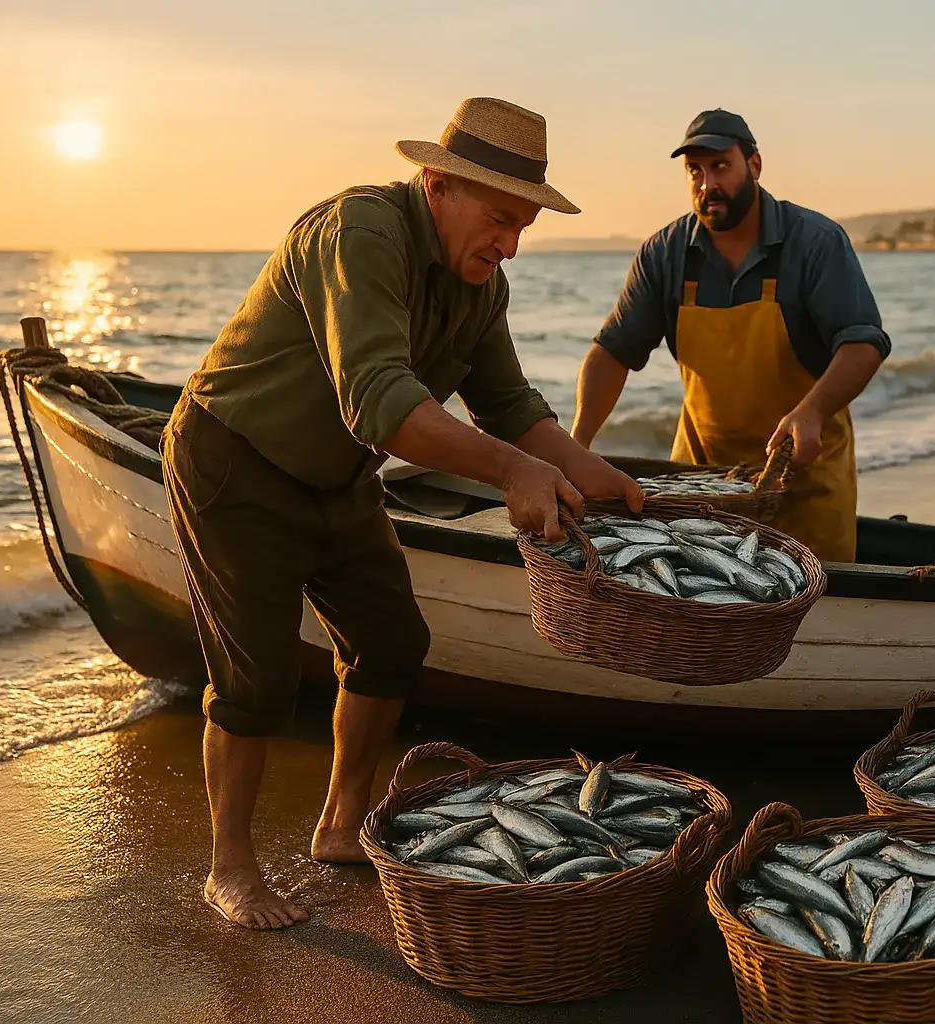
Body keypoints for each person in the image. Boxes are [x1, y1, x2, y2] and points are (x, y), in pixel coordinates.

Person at [162, 97, 642, 929]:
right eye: (499, 219)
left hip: (338, 477)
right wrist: (513, 472)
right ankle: (229, 869)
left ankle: (338, 825)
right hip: (234, 462)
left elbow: (509, 402)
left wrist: (605, 478)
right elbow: (383, 403)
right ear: (437, 185)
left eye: (523, 226)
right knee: (259, 680)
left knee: (392, 644)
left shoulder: (480, 286)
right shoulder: (361, 232)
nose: (510, 244)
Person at [571, 109, 890, 562]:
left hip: (805, 480)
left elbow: (864, 342)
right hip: (701, 483)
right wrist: (576, 444)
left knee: (812, 608)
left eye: (720, 166)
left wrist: (813, 411)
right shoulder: (664, 254)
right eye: (694, 171)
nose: (707, 184)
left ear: (754, 165)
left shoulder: (816, 242)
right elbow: (612, 352)